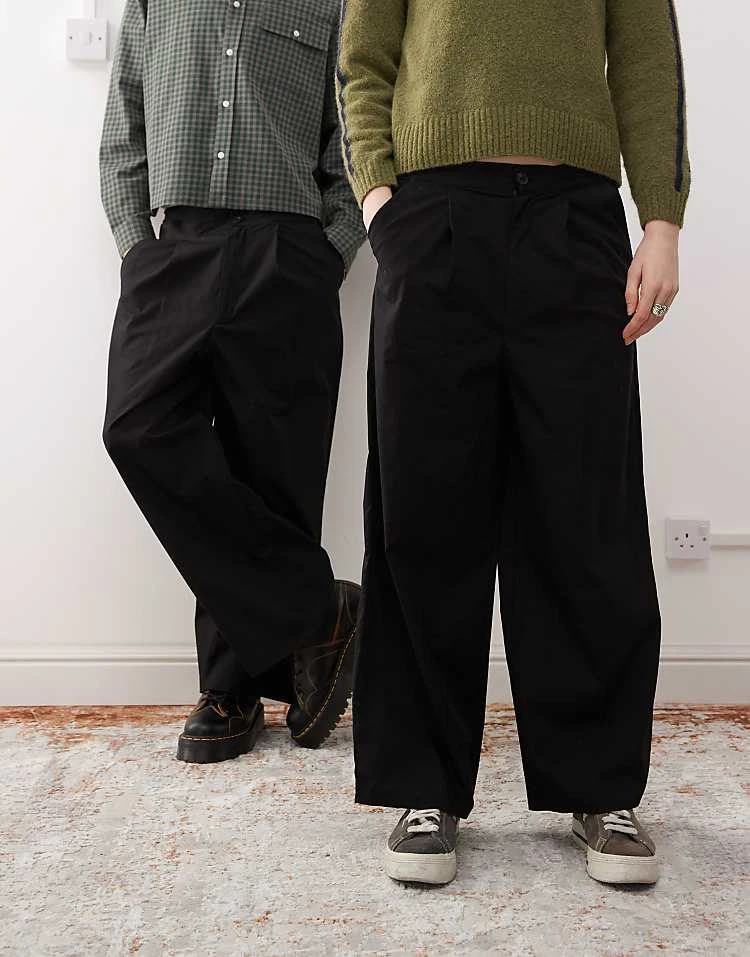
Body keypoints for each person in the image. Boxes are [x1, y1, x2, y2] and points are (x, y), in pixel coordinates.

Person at [337, 0, 689, 885]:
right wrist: (380, 202)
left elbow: (648, 59)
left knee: (586, 510)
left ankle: (600, 786)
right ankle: (424, 786)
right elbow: (363, 57)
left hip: (575, 219)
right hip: (432, 214)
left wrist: (661, 220)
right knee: (423, 506)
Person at [100, 0, 365, 763]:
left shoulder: (333, 5)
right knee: (137, 426)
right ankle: (320, 613)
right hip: (177, 246)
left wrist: (329, 251)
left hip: (288, 252)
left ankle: (234, 687)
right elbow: (123, 132)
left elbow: (354, 137)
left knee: (273, 467)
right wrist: (138, 249)